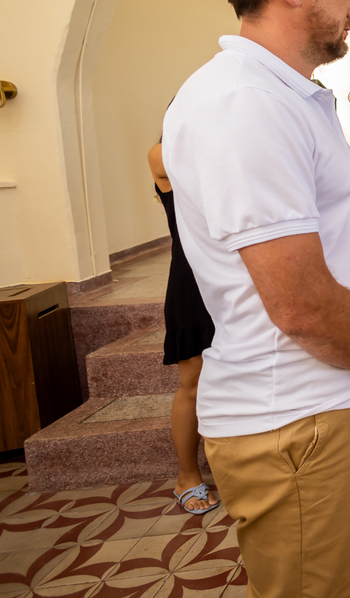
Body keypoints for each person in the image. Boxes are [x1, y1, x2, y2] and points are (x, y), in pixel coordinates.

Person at [162, 0, 350, 598]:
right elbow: (300, 302)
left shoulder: (279, 96)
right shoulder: (245, 104)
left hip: (310, 407)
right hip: (289, 417)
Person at [147, 140, 219, 516]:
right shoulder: (164, 152)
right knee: (193, 384)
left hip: (238, 277)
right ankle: (187, 476)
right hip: (192, 281)